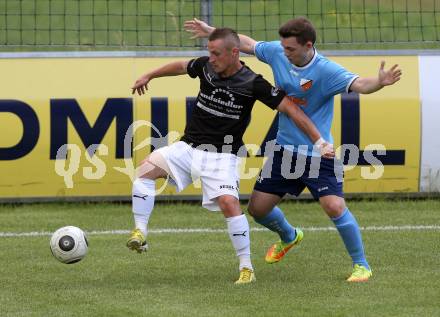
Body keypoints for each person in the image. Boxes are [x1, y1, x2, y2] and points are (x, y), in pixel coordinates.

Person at [184, 17, 402, 282]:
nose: (284, 53)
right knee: (257, 210)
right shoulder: (278, 51)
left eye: (290, 49)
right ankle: (289, 236)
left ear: (308, 45)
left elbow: (360, 85)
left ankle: (361, 265)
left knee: (333, 206)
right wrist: (213, 32)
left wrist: (379, 82)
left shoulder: (326, 71)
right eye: (283, 47)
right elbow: (249, 45)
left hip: (317, 153)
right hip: (284, 150)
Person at [129, 27, 333, 284]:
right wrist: (150, 75)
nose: (211, 59)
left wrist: (319, 141)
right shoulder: (206, 67)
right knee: (145, 172)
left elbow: (291, 110)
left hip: (223, 156)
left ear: (234, 52)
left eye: (216, 54)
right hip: (188, 147)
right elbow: (182, 66)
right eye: (209, 53)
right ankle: (140, 232)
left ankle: (246, 268)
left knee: (229, 204)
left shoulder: (253, 83)